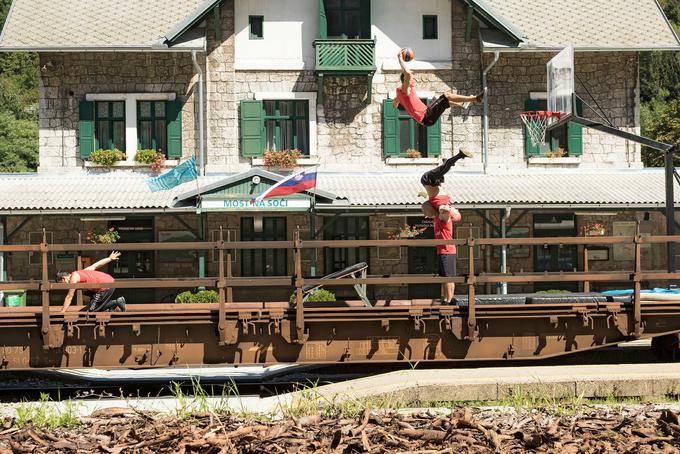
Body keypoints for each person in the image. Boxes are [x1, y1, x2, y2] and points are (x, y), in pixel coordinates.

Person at [393, 50, 486, 127]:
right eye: (411, 77)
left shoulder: (402, 92)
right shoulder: (405, 90)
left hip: (426, 114)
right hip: (426, 116)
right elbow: (407, 74)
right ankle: (476, 98)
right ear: (405, 80)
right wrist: (400, 59)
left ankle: (462, 104)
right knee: (447, 95)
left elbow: (394, 104)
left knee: (444, 101)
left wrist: (398, 102)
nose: (413, 77)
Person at [57, 251, 126, 313]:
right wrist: (109, 258)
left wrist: (62, 311)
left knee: (91, 310)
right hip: (109, 282)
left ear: (63, 278)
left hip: (104, 287)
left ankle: (116, 302)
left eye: (62, 284)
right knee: (90, 300)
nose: (64, 286)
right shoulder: (80, 272)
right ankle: (110, 306)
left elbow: (69, 296)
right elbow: (96, 265)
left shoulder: (73, 278)